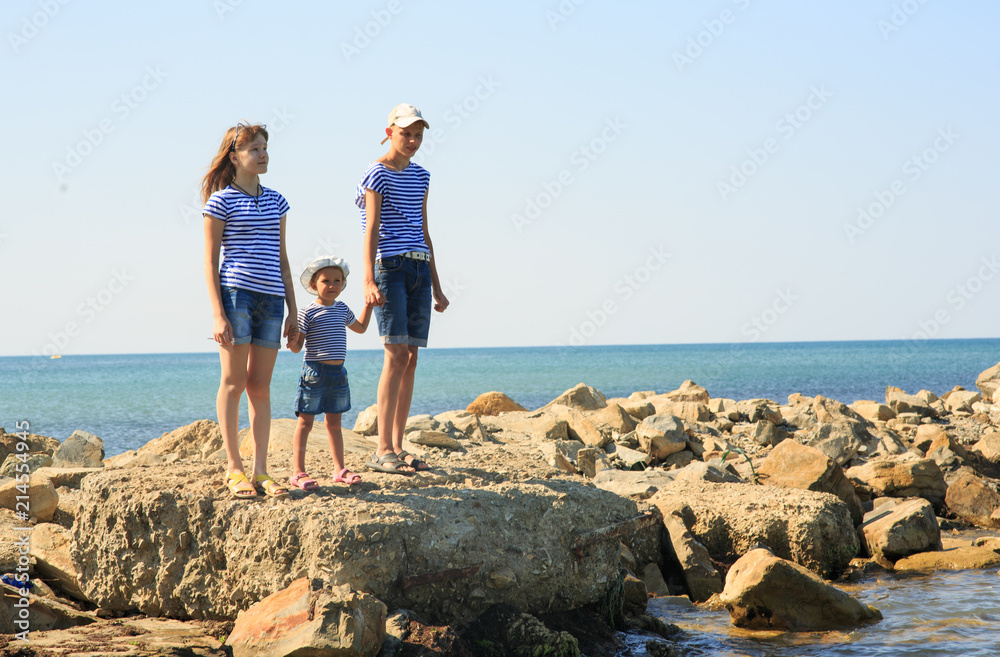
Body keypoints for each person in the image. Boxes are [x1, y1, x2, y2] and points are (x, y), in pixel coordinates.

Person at [202, 122, 296, 499]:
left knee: (260, 386)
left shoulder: (278, 201)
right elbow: (209, 262)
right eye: (254, 149)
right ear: (234, 157)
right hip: (236, 295)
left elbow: (283, 261)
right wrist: (217, 313)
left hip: (272, 300)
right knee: (233, 382)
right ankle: (234, 468)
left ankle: (261, 471)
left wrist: (293, 311)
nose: (262, 154)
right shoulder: (220, 202)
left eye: (264, 147)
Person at [356, 103, 449, 475]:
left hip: (419, 267)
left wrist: (437, 285)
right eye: (406, 133)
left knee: (411, 358)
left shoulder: (422, 176)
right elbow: (371, 228)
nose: (412, 140)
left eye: (418, 135)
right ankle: (382, 450)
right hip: (390, 267)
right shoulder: (376, 172)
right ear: (390, 132)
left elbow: (424, 230)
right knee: (395, 355)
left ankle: (398, 446)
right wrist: (367, 279)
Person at [286, 257, 372, 489]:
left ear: (343, 283)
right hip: (314, 372)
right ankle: (298, 472)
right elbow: (297, 347)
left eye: (337, 281)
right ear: (313, 284)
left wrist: (369, 305)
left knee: (334, 424)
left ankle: (339, 470)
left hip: (338, 374)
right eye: (326, 281)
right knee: (305, 423)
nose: (332, 285)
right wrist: (292, 341)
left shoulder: (342, 309)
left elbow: (361, 328)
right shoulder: (308, 312)